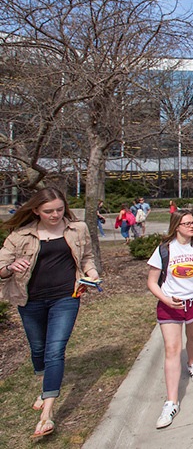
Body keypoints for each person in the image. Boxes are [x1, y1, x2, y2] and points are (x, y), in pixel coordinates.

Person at [0, 187, 99, 437]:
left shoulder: (78, 229)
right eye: (48, 211)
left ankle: (47, 414)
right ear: (36, 210)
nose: (55, 214)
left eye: (59, 209)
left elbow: (86, 256)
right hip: (30, 300)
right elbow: (1, 268)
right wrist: (10, 267)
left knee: (55, 350)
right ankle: (47, 385)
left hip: (66, 297)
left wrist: (92, 273)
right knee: (39, 349)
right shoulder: (20, 235)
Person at [146, 210, 193, 429]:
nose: (192, 227)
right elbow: (152, 282)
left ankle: (192, 362)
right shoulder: (163, 250)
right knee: (172, 349)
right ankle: (171, 402)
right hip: (171, 305)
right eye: (186, 223)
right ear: (176, 226)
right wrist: (166, 300)